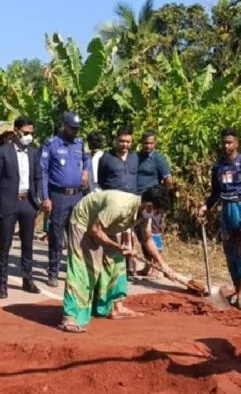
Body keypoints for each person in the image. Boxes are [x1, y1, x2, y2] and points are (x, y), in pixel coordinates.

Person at [58, 186, 177, 333]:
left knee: (117, 262)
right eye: (157, 212)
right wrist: (117, 246)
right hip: (84, 221)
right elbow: (95, 229)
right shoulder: (119, 206)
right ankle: (69, 316)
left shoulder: (145, 214)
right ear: (149, 206)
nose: (157, 215)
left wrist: (164, 265)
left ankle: (115, 306)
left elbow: (148, 240)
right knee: (82, 267)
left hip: (106, 227)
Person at [197, 129, 241, 310]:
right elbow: (215, 192)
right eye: (224, 143)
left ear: (236, 143)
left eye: (229, 142)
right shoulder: (218, 167)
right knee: (231, 255)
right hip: (227, 210)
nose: (226, 146)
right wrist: (206, 206)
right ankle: (236, 290)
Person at [0, 117, 43, 297]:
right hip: (8, 203)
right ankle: (2, 284)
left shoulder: (33, 152)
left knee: (27, 244)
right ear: (16, 131)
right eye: (26, 132)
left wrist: (39, 199)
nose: (29, 136)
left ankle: (28, 280)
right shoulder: (4, 151)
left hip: (28, 203)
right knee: (5, 244)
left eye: (31, 133)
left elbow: (38, 177)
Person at [40, 112, 91, 288]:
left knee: (77, 236)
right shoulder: (51, 144)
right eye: (72, 128)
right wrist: (45, 197)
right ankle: (53, 272)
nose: (75, 132)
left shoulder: (80, 143)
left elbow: (87, 159)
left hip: (77, 196)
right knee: (56, 237)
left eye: (77, 129)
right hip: (59, 196)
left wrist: (86, 171)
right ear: (64, 126)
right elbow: (43, 171)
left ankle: (74, 272)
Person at [98, 126, 140, 280]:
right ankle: (112, 268)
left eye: (128, 142)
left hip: (131, 203)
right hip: (113, 204)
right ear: (116, 140)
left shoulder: (135, 157)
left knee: (129, 237)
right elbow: (101, 179)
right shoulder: (106, 158)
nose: (125, 145)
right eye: (122, 141)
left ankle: (130, 269)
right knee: (113, 236)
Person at [134, 131, 173, 277]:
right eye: (146, 143)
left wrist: (159, 195)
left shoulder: (158, 158)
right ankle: (148, 265)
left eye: (151, 143)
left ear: (155, 143)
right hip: (138, 200)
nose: (148, 146)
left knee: (152, 232)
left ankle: (157, 266)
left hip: (151, 203)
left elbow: (168, 181)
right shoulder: (137, 157)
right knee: (141, 233)